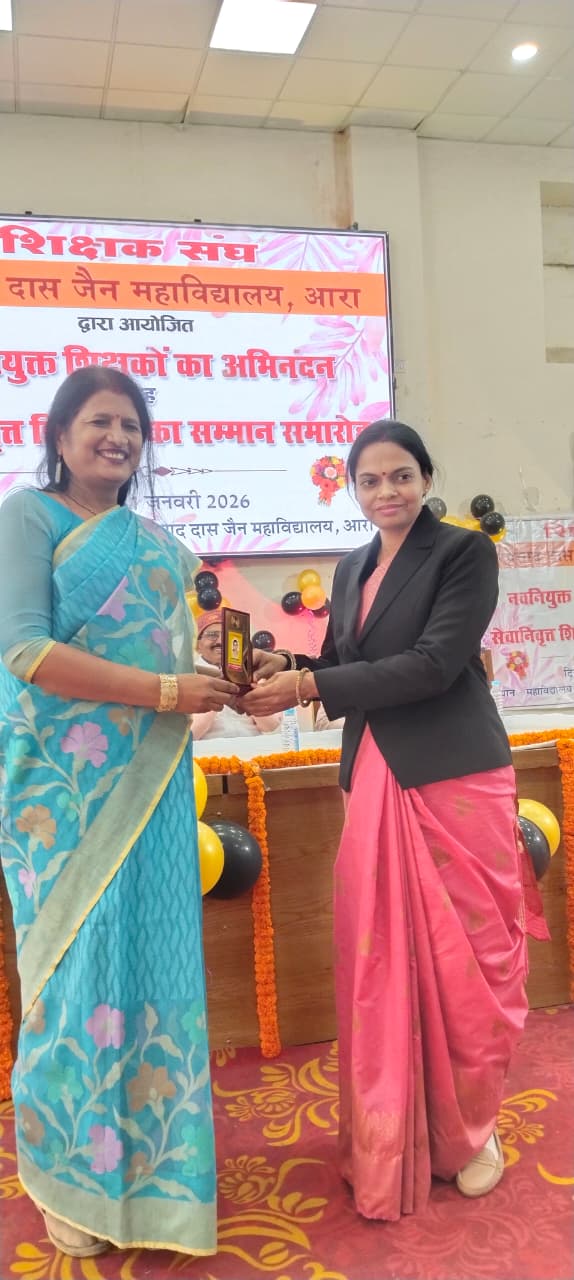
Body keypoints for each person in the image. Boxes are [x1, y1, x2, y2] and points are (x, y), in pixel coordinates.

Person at [242, 419, 538, 1221]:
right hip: (376, 775)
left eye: (401, 475)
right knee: (387, 962)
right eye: (369, 480)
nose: (387, 492)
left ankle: (473, 1128)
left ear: (426, 477)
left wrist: (310, 688)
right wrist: (288, 667)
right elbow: (347, 664)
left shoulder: (463, 553)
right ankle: (402, 1128)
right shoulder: (351, 567)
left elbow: (436, 664)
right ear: (353, 489)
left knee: (470, 965)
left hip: (454, 775)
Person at [0, 368, 238, 1258]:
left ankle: (156, 1172)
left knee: (153, 960)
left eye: (131, 425)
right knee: (75, 975)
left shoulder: (159, 547)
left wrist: (217, 677)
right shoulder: (28, 517)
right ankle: (68, 1171)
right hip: (59, 794)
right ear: (60, 436)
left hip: (153, 783)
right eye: (99, 421)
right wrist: (168, 690)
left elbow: (171, 661)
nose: (118, 437)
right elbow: (24, 650)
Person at [192, 610, 281, 740]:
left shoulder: (254, 671)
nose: (220, 641)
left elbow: (271, 727)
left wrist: (249, 693)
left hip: (254, 747)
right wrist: (216, 692)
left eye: (226, 635)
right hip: (210, 749)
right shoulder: (189, 675)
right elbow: (191, 734)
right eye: (212, 635)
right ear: (198, 645)